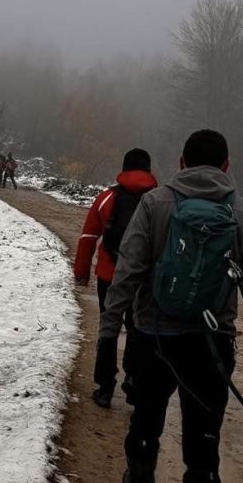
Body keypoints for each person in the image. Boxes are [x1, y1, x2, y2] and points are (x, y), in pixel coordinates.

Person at [98, 130, 243, 483]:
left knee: (146, 419)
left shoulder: (156, 204)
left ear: (180, 160)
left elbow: (129, 271)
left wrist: (109, 331)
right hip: (212, 347)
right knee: (203, 447)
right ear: (227, 164)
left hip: (153, 338)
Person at [73, 148, 157, 407]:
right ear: (148, 170)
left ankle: (104, 387)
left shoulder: (106, 198)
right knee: (138, 328)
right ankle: (133, 381)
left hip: (109, 275)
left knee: (108, 326)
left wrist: (82, 270)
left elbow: (88, 236)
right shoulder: (158, 201)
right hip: (143, 279)